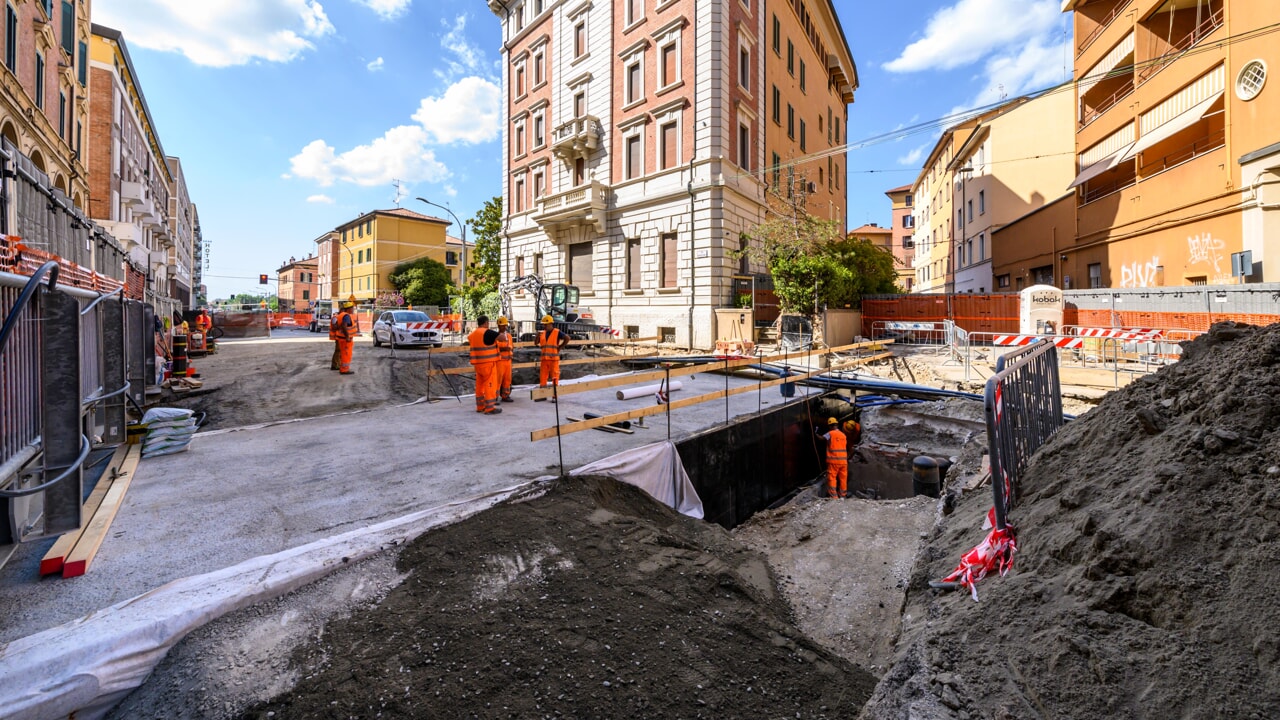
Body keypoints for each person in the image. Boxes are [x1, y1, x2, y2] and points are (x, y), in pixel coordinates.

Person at [468, 315, 502, 414]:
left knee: (480, 385)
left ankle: (480, 406)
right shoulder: (487, 332)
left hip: (478, 364)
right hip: (488, 363)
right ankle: (490, 407)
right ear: (486, 323)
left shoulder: (473, 334)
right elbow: (502, 338)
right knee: (490, 384)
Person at [536, 314, 570, 401]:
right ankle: (542, 395)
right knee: (543, 378)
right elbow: (536, 343)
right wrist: (537, 336)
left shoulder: (557, 332)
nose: (544, 326)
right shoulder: (542, 333)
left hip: (553, 360)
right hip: (544, 360)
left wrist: (560, 347)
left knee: (554, 378)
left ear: (551, 324)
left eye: (545, 324)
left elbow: (567, 338)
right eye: (543, 324)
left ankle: (554, 396)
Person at [816, 417, 848, 499]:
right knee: (843, 478)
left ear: (830, 426)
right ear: (837, 425)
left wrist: (816, 433)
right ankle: (843, 495)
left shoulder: (830, 434)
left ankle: (834, 497)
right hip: (843, 462)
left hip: (834, 461)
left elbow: (821, 438)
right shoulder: (843, 435)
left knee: (832, 478)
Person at [333, 297, 360, 375]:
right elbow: (344, 326)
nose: (353, 309)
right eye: (352, 308)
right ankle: (344, 370)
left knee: (343, 354)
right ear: (349, 309)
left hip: (341, 338)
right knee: (346, 354)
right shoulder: (346, 316)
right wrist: (347, 337)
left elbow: (337, 326)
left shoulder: (340, 315)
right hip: (345, 339)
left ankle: (342, 368)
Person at [495, 316, 515, 403]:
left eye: (505, 325)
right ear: (499, 326)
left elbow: (511, 347)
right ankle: (494, 397)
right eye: (503, 325)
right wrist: (504, 349)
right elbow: (495, 348)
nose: (505, 327)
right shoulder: (496, 336)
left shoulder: (509, 336)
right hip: (500, 361)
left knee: (507, 379)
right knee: (498, 380)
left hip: (508, 361)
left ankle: (505, 395)